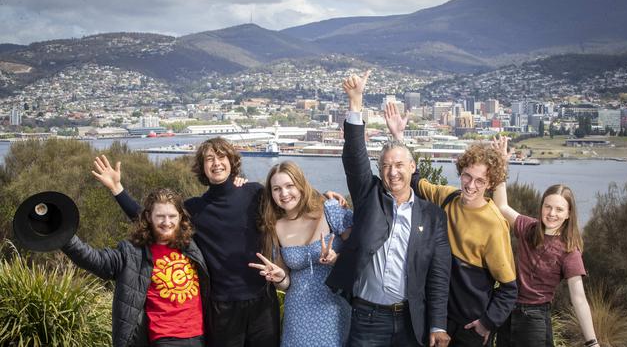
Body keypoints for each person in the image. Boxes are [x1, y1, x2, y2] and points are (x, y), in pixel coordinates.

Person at [92, 137, 280, 347]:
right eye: (209, 158)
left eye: (221, 156)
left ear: (232, 161)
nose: (216, 163)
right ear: (202, 167)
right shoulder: (195, 209)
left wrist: (324, 202)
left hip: (263, 300)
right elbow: (153, 218)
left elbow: (289, 205)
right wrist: (117, 189)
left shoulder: (254, 192)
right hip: (221, 309)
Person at [326, 71, 452, 347]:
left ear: (412, 168)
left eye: (399, 166)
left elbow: (439, 275)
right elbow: (355, 157)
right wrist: (356, 102)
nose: (392, 172)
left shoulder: (432, 216)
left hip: (410, 321)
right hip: (367, 317)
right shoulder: (369, 195)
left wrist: (438, 324)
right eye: (385, 166)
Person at [385, 102, 517, 346]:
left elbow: (509, 288)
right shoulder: (448, 197)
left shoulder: (495, 224)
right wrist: (398, 137)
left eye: (480, 180)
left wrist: (486, 323)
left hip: (470, 327)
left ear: (490, 184)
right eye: (467, 175)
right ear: (460, 172)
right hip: (438, 320)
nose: (471, 185)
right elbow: (414, 181)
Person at [61, 188, 209, 347]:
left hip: (200, 337)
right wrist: (63, 236)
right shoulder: (132, 254)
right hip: (165, 338)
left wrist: (236, 185)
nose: (167, 222)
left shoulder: (191, 246)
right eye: (160, 216)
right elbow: (95, 260)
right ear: (148, 217)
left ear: (180, 217)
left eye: (172, 216)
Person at [491, 137, 600, 347]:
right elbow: (502, 207)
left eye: (559, 209)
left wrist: (592, 342)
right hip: (507, 311)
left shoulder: (570, 250)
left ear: (569, 214)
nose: (552, 213)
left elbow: (578, 297)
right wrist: (500, 164)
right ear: (541, 207)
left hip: (535, 318)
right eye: (548, 207)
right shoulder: (529, 228)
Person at [247, 160, 353, 346]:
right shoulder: (275, 227)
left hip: (334, 307)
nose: (284, 194)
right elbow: (285, 284)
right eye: (277, 189)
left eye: (289, 186)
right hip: (298, 311)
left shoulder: (329, 210)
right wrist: (279, 278)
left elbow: (360, 251)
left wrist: (337, 259)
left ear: (301, 185)